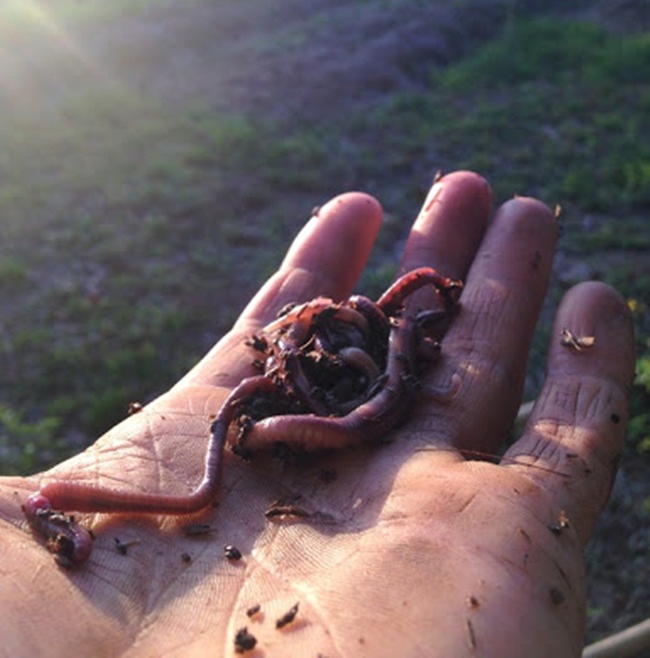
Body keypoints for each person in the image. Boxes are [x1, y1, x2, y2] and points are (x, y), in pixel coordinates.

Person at [0, 171, 634, 657]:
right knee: (208, 479)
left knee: (226, 469)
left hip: (347, 395)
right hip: (328, 401)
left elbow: (354, 393)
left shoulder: (340, 361)